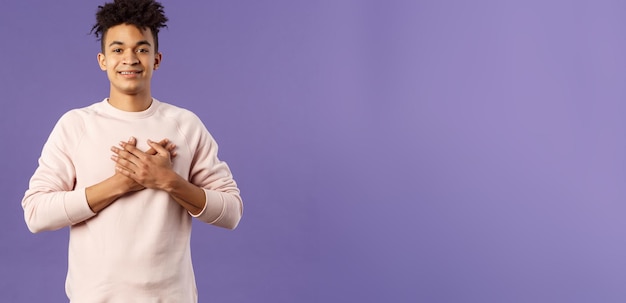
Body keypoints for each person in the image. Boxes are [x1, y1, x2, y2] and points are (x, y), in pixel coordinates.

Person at [21, 0, 243, 301]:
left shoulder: (185, 125)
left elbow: (231, 213)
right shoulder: (76, 125)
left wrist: (168, 181)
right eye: (117, 49)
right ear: (102, 60)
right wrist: (121, 183)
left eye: (141, 49)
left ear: (157, 59)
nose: (130, 58)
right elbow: (36, 214)